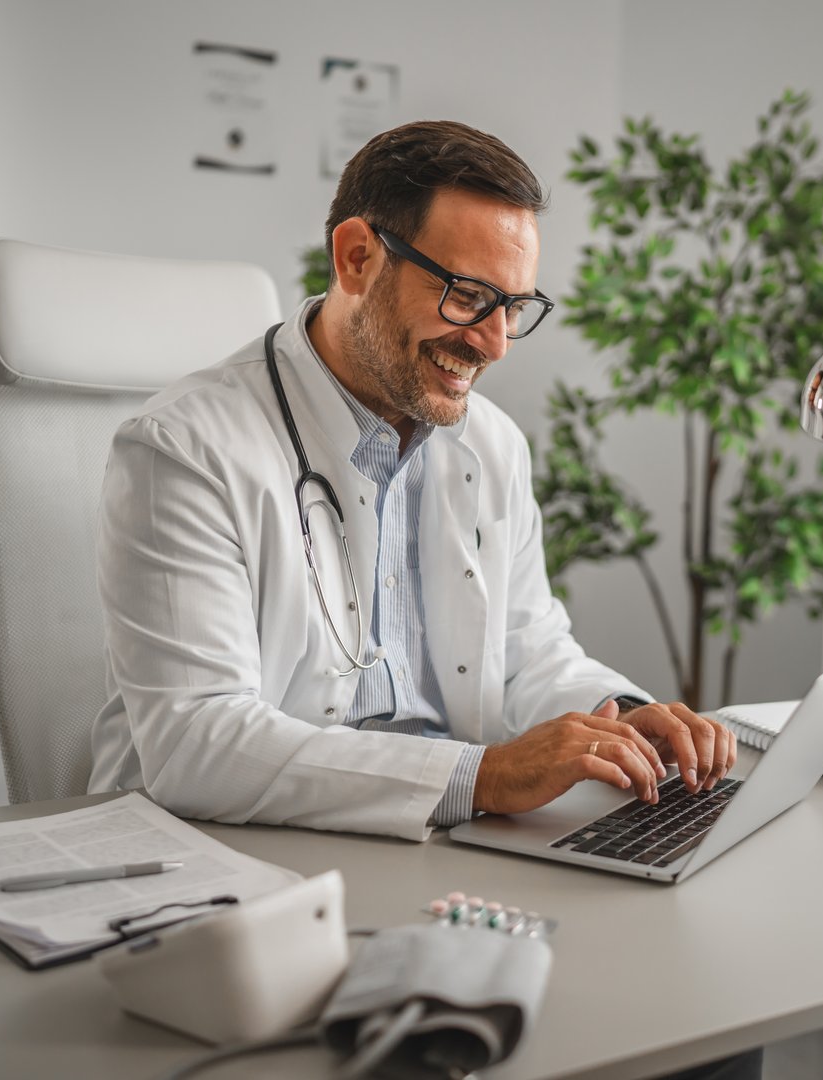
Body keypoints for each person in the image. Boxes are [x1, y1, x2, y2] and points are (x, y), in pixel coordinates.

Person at [87, 120, 737, 843]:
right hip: (228, 851)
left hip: (447, 842)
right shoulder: (185, 449)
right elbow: (196, 743)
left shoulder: (491, 445)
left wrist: (619, 716)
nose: (492, 344)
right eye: (466, 295)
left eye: (513, 308)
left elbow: (529, 650)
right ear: (358, 258)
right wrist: (483, 777)